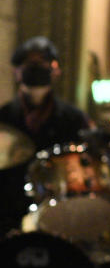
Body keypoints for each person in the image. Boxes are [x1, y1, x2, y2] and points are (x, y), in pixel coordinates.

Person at [0, 36, 92, 233]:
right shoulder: (3, 118)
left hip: (60, 214)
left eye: (43, 63)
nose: (36, 69)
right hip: (8, 215)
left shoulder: (74, 119)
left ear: (55, 70)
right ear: (16, 71)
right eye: (29, 64)